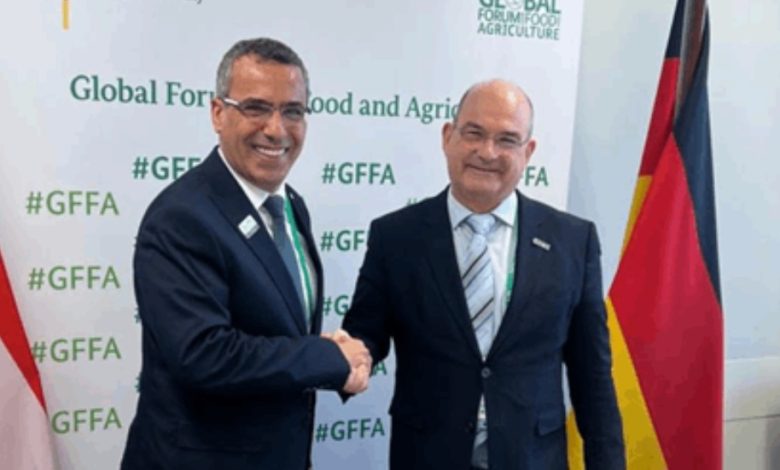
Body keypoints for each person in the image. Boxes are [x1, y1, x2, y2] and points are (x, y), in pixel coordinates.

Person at [341, 79, 625, 469]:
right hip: (428, 457)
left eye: (507, 140)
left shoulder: (573, 241)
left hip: (532, 459)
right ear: (448, 137)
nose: (487, 152)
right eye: (474, 133)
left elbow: (592, 375)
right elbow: (366, 334)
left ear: (528, 151)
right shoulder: (396, 236)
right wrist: (348, 358)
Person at [121, 37, 371, 470]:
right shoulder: (182, 216)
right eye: (256, 108)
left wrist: (327, 355)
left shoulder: (290, 205)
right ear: (218, 113)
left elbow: (277, 329)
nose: (276, 129)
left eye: (292, 111)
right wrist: (326, 359)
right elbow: (204, 354)